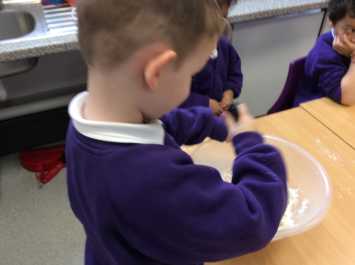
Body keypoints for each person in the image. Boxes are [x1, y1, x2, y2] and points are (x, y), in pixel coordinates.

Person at [65, 1, 288, 265]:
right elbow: (252, 220)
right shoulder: (150, 181)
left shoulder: (86, 124)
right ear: (156, 72)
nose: (190, 85)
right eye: (192, 74)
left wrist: (214, 124)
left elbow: (160, 126)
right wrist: (252, 145)